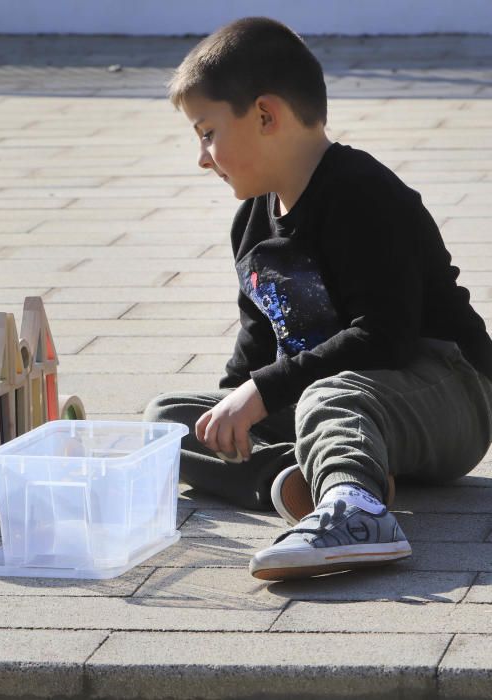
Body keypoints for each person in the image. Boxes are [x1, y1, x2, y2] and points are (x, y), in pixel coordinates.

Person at [144, 17, 492, 580]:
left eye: (207, 132)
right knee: (169, 421)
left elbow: (387, 337)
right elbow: (258, 347)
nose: (203, 157)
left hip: (447, 390)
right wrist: (239, 406)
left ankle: (360, 513)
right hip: (335, 403)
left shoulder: (363, 194)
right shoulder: (252, 223)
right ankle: (301, 481)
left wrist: (264, 392)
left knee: (330, 396)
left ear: (264, 116)